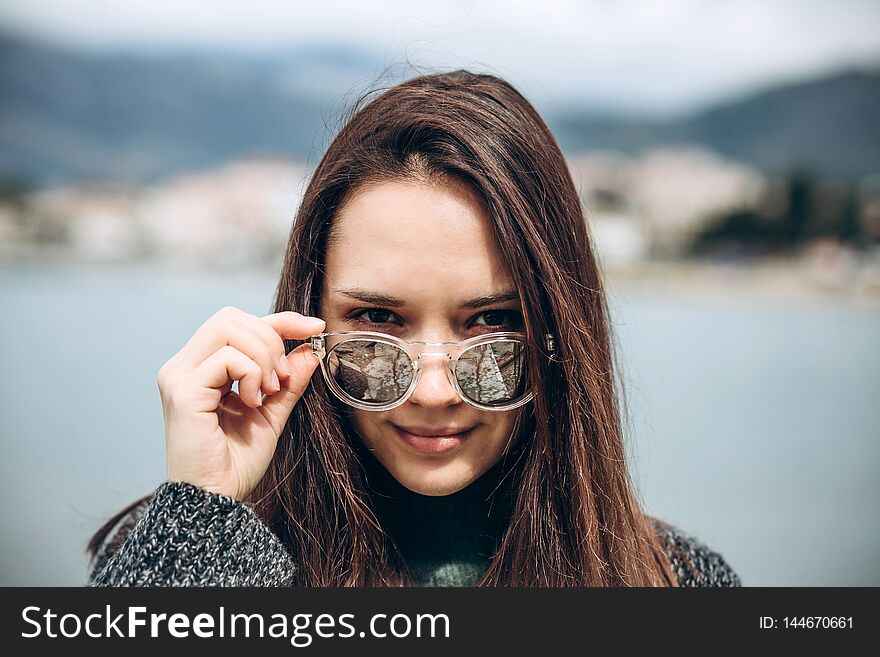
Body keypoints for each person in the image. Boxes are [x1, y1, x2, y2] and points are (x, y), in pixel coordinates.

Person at [87, 70, 740, 587]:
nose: (432, 390)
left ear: (558, 337)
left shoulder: (679, 583)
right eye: (377, 319)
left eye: (490, 321)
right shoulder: (182, 553)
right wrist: (204, 506)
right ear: (309, 321)